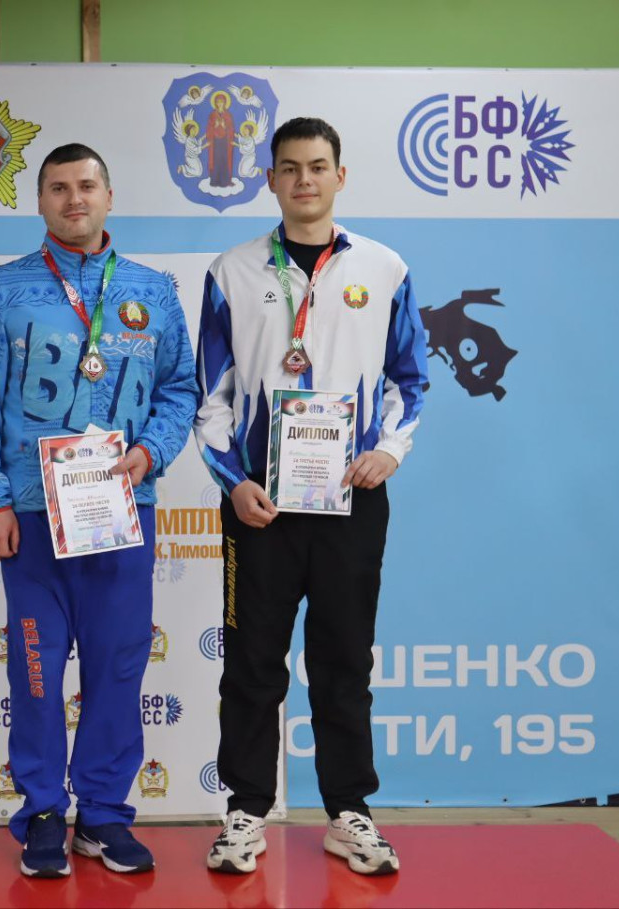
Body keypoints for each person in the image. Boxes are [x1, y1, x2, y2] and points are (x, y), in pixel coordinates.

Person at [0, 143, 197, 878]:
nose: (73, 199)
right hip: (31, 517)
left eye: (86, 185)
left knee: (118, 666)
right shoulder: (2, 290)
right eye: (58, 188)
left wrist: (150, 451)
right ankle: (40, 812)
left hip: (122, 510)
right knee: (35, 671)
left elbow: (180, 388)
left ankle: (103, 815)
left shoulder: (152, 290)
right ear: (40, 201)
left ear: (109, 194)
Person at [194, 117, 428, 876]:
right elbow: (211, 394)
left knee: (343, 660)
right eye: (290, 168)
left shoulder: (385, 267)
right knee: (251, 663)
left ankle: (349, 811)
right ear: (270, 180)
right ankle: (244, 812)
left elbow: (410, 379)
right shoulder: (232, 269)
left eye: (318, 166)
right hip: (260, 507)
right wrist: (235, 482)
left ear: (340, 176)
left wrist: (388, 450)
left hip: (351, 500)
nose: (304, 180)